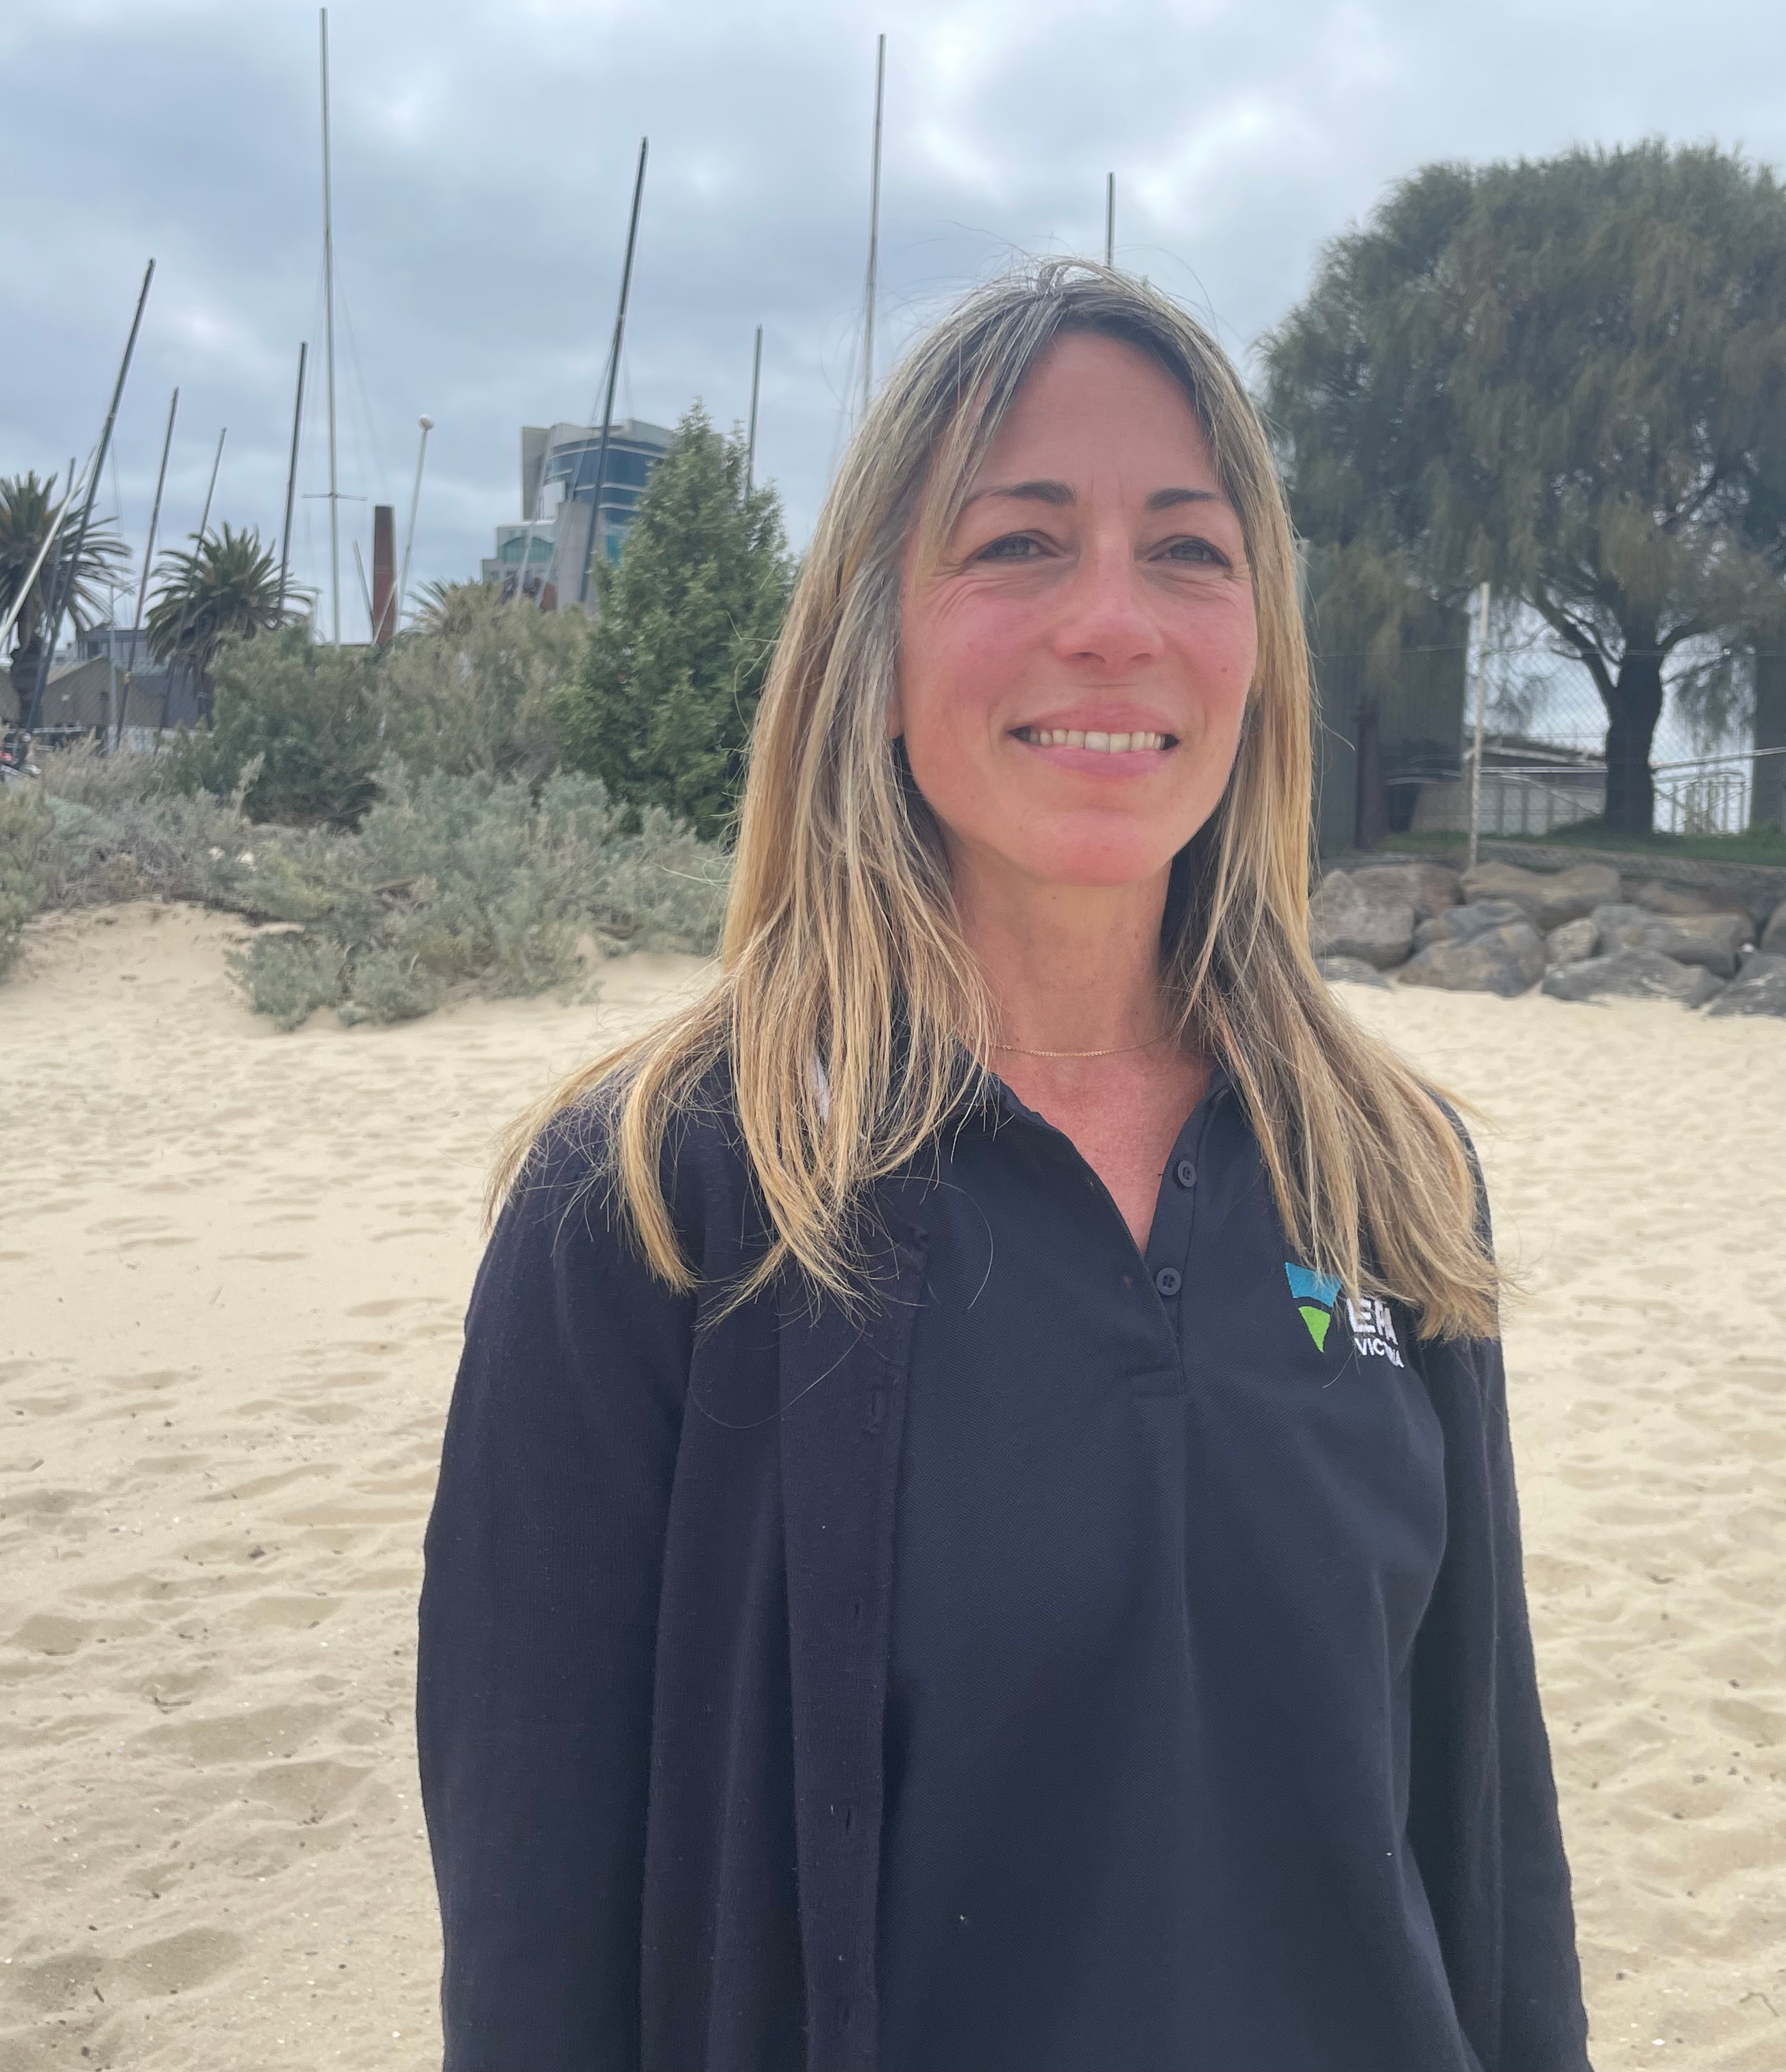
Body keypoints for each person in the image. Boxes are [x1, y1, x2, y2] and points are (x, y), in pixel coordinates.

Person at [418, 262, 1589, 2072]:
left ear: (1260, 647)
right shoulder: (649, 1203)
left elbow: (1484, 1837)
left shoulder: (1391, 1172)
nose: (1114, 622)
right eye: (1020, 545)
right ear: (876, 645)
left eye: (1189, 551)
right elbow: (534, 1942)